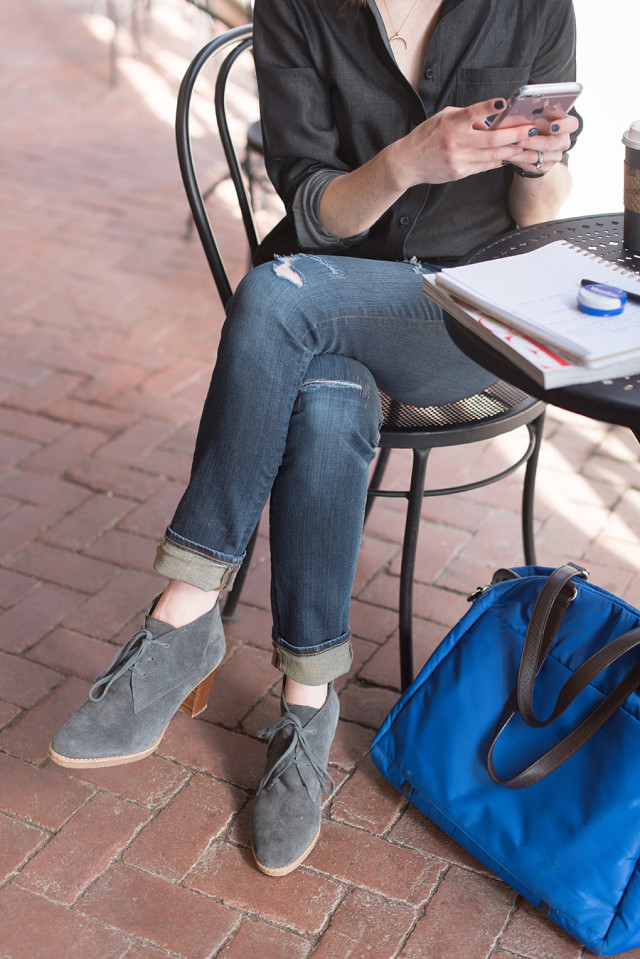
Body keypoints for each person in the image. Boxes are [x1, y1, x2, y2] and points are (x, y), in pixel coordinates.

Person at [50, 0, 581, 877]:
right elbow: (315, 213)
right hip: (335, 284)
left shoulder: (531, 7)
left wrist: (544, 158)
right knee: (328, 395)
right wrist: (408, 161)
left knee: (274, 298)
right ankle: (308, 703)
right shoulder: (299, 6)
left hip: (462, 315)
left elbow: (543, 215)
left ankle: (184, 615)